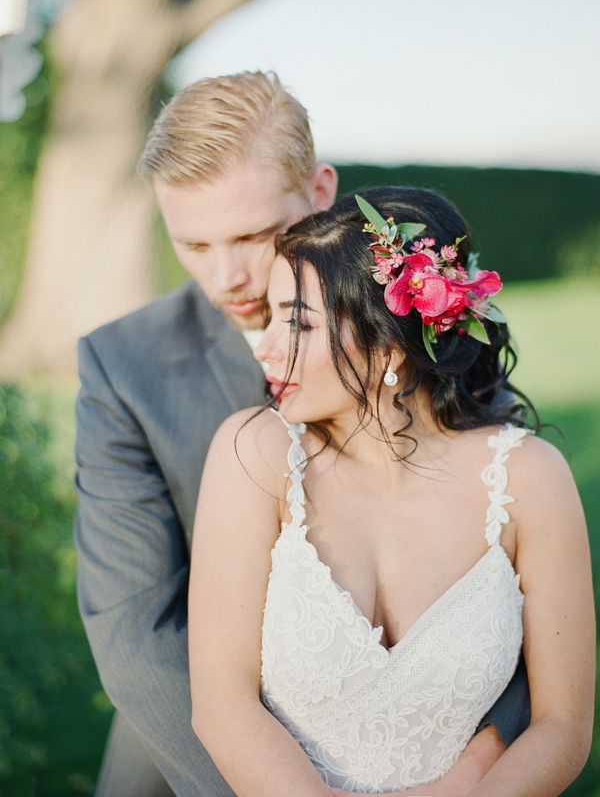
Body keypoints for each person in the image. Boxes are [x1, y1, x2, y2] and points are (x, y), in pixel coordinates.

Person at [75, 71, 529, 797]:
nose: (229, 276)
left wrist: (478, 765)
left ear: (321, 192)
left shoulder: (419, 330)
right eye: (192, 243)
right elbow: (136, 635)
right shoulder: (124, 367)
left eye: (254, 234)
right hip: (187, 764)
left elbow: (514, 582)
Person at [188, 187, 595, 796]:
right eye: (270, 317)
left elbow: (562, 728)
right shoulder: (254, 454)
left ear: (386, 343)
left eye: (295, 322)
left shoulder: (530, 478)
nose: (266, 348)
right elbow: (223, 707)